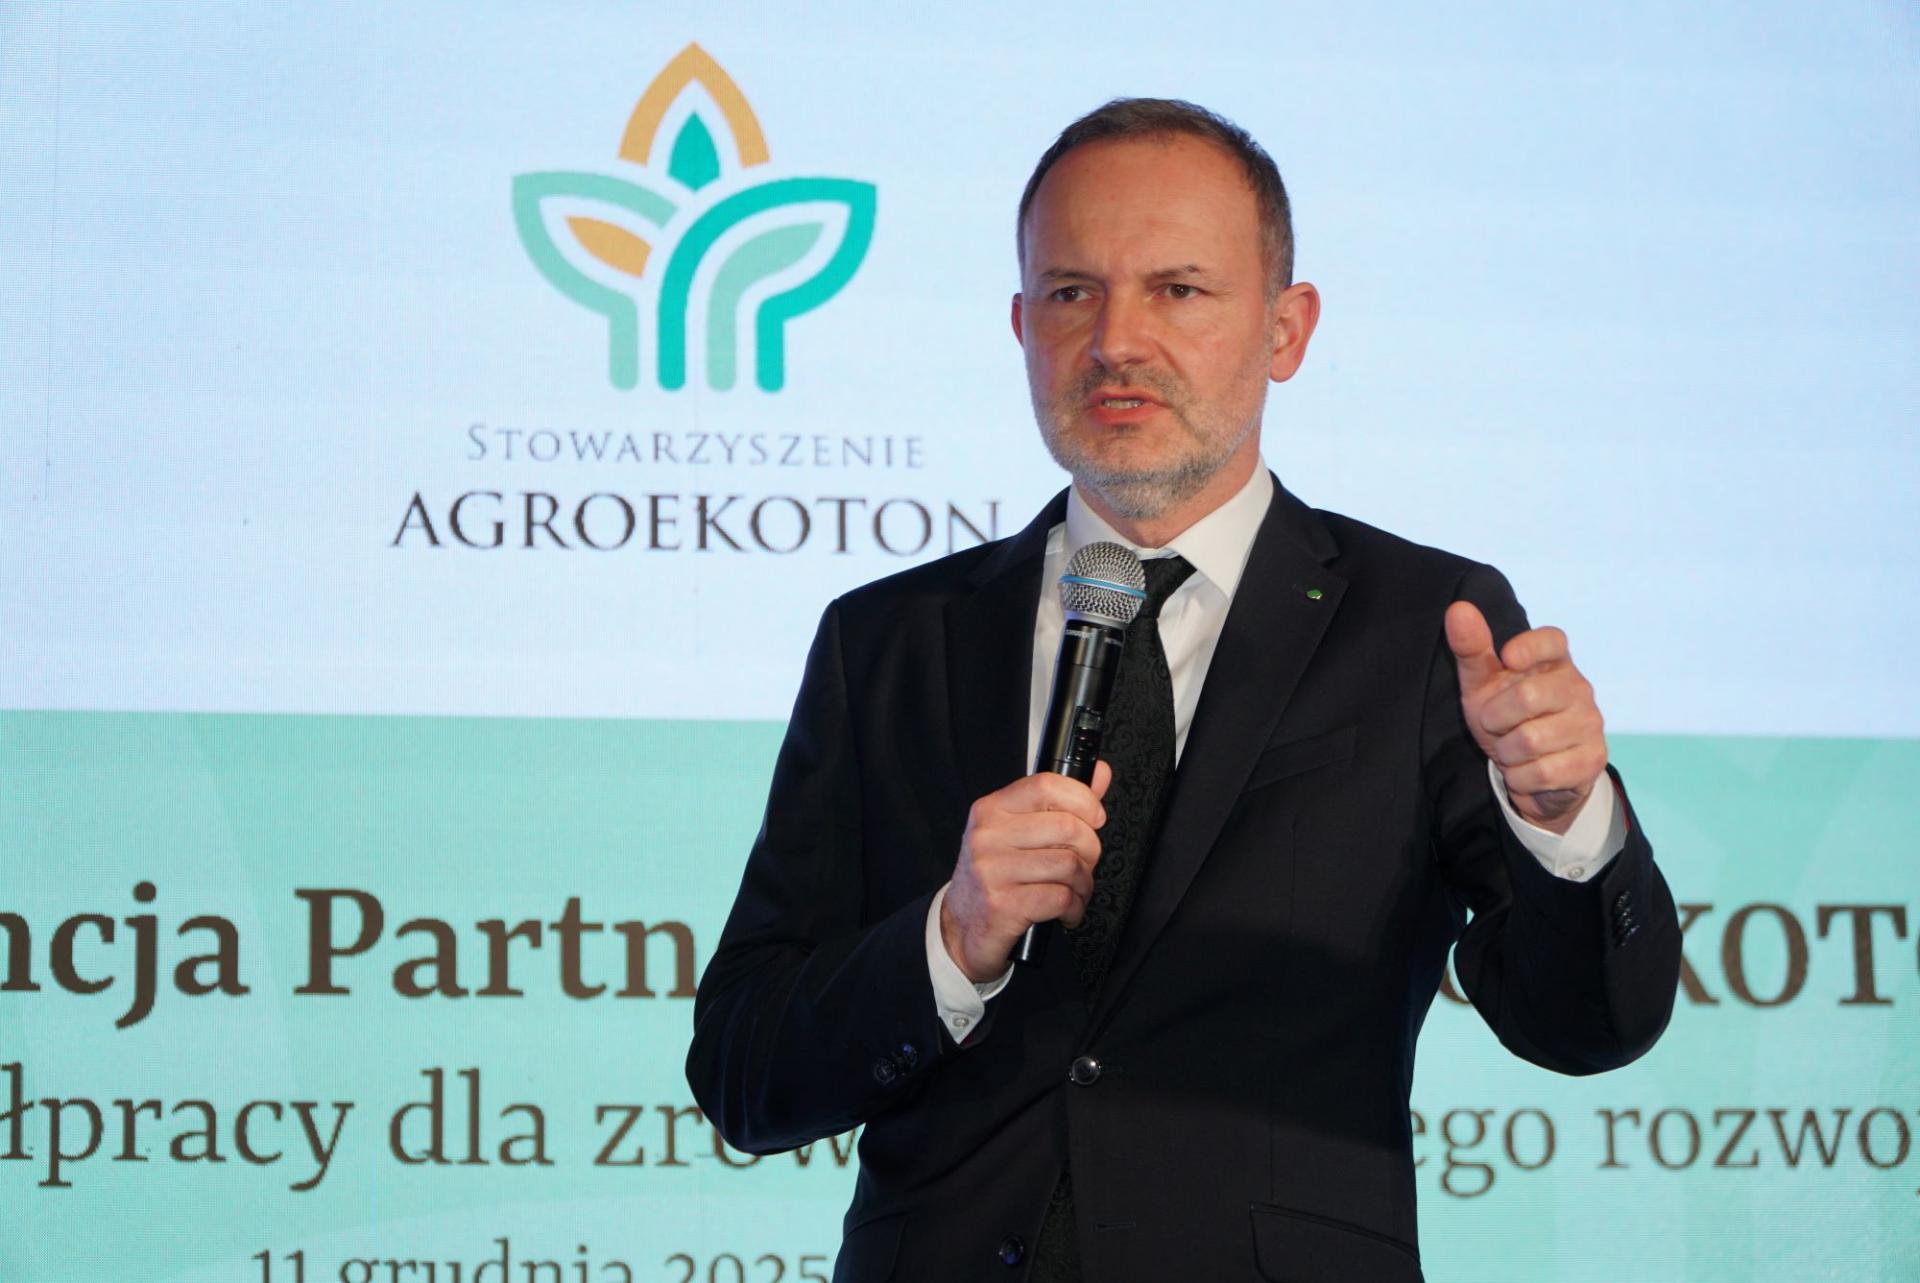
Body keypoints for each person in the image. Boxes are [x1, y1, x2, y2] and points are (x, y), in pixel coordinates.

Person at [687, 98, 1680, 1282]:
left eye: (1179, 290)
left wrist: (1565, 822)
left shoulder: (1425, 626)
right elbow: (745, 1070)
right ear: (1022, 324)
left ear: (1286, 329)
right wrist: (951, 938)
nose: (1117, 340)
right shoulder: (890, 639)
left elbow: (1588, 1025)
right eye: (1072, 292)